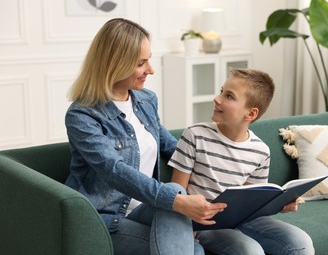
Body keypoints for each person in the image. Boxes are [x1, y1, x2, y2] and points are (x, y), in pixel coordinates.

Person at [64, 18, 226, 255]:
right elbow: (114, 170)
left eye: (148, 59)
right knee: (192, 246)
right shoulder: (82, 115)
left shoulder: (145, 100)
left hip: (147, 208)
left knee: (176, 194)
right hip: (105, 219)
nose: (150, 69)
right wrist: (175, 200)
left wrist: (223, 169)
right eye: (141, 63)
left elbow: (172, 147)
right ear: (115, 64)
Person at [169, 68, 315, 255]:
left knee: (301, 243)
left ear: (251, 114)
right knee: (250, 251)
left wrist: (281, 205)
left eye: (229, 96)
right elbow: (176, 191)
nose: (217, 98)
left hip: (243, 220)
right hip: (203, 222)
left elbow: (251, 203)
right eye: (222, 91)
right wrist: (183, 228)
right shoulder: (195, 135)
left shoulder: (260, 151)